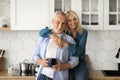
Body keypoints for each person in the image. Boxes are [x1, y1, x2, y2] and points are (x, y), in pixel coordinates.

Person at [40, 10, 89, 80]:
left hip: (80, 63)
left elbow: (78, 51)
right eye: (69, 20)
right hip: (67, 63)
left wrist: (64, 43)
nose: (73, 22)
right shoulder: (64, 31)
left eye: (74, 19)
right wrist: (51, 35)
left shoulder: (83, 32)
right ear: (66, 23)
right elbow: (42, 32)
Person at [32, 11, 79, 80]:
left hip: (59, 77)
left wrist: (62, 66)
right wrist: (41, 62)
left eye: (63, 23)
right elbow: (35, 56)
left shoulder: (70, 40)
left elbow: (75, 60)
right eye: (58, 22)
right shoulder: (43, 37)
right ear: (52, 22)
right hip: (42, 76)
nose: (60, 26)